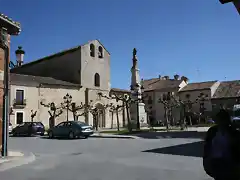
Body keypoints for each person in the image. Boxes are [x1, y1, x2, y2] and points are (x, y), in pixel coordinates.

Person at [203, 109, 240, 180]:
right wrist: (206, 162)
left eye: (223, 119)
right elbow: (207, 147)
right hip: (216, 164)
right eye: (219, 119)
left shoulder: (234, 132)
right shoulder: (212, 131)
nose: (221, 122)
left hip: (230, 164)